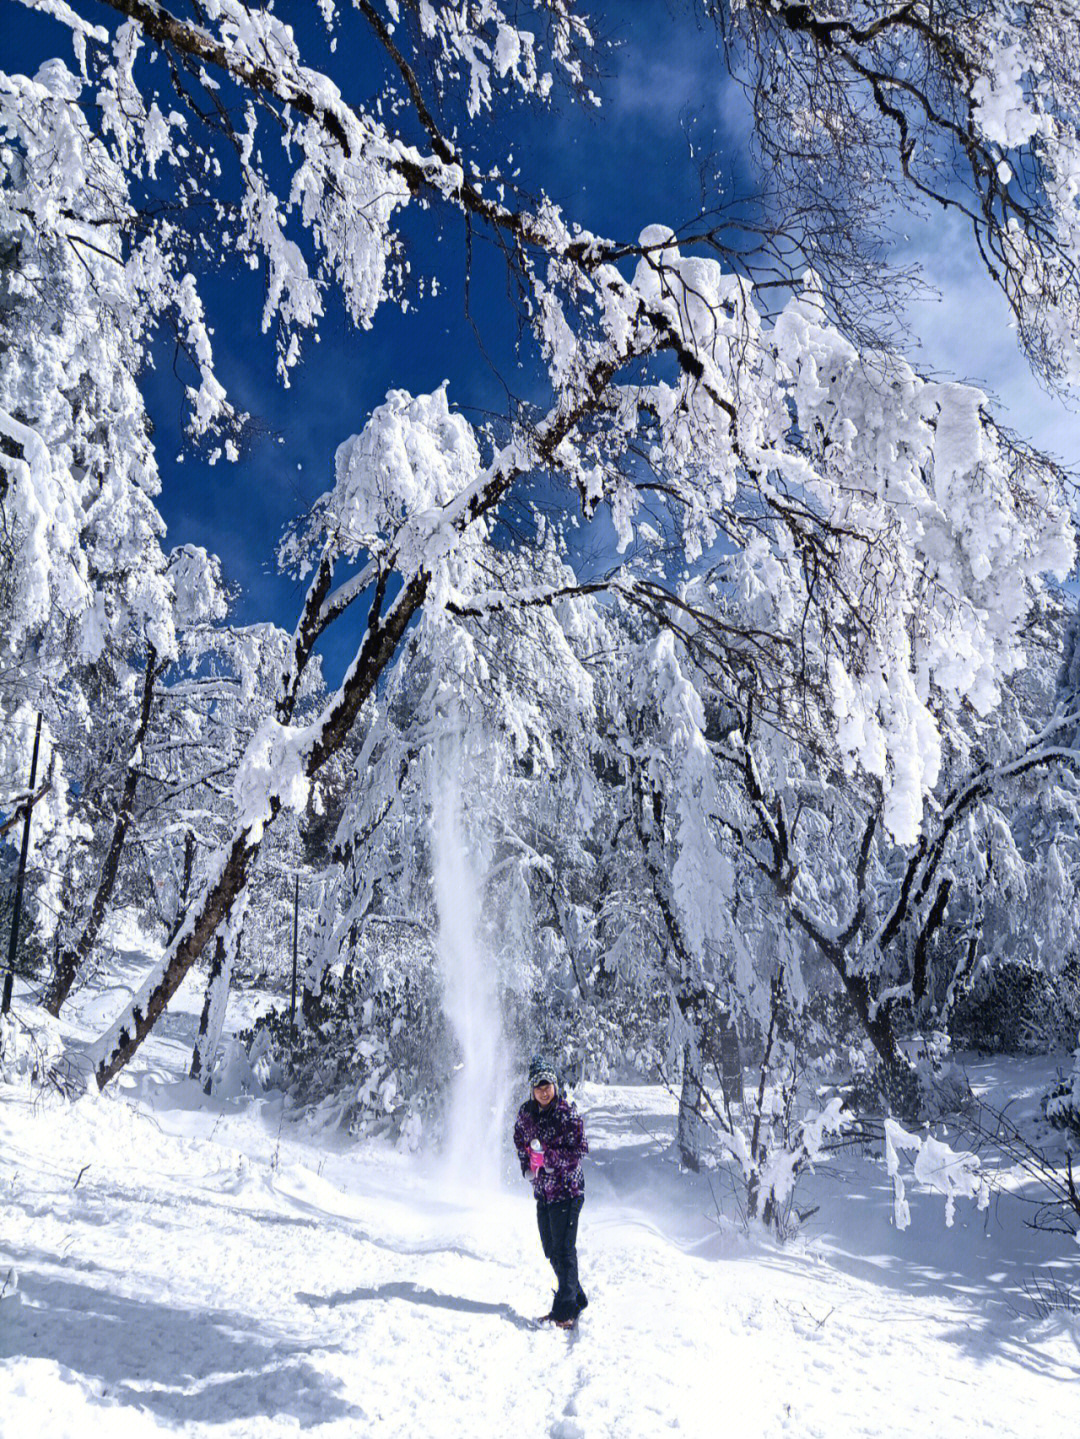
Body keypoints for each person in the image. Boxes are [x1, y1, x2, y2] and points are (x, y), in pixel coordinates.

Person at [512, 1052, 589, 1328]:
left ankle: (565, 1310)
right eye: (538, 1086)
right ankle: (577, 1296)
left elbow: (579, 1150)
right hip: (544, 1193)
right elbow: (520, 1141)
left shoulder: (567, 1114)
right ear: (532, 1089)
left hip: (568, 1192)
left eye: (548, 1085)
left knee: (564, 1250)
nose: (544, 1091)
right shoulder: (526, 1114)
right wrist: (527, 1167)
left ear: (555, 1086)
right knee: (551, 1250)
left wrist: (548, 1159)